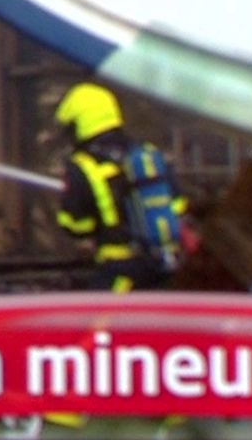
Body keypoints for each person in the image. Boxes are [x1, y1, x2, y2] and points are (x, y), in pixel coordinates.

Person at [54, 81, 186, 292]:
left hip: (119, 272)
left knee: (97, 314)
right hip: (162, 267)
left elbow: (77, 227)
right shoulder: (147, 155)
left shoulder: (83, 166)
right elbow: (178, 205)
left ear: (80, 123)